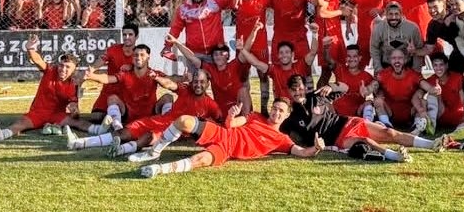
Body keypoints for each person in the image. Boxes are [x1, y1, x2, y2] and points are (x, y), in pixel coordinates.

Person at [137, 98, 324, 178]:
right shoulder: (255, 116)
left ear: (286, 116)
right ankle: (154, 152)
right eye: (275, 108)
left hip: (227, 150)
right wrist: (231, 117)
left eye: (280, 111)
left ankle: (159, 169)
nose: (276, 112)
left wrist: (316, 148)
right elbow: (232, 124)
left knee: (200, 160)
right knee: (183, 121)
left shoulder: (282, 139)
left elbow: (301, 152)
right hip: (223, 133)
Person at [281, 75, 450, 163]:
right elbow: (283, 136)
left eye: (301, 89)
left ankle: (431, 144)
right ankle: (396, 156)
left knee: (389, 132)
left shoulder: (316, 97)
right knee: (365, 140)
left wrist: (330, 86)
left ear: (305, 88)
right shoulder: (290, 116)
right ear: (289, 91)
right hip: (336, 138)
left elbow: (345, 88)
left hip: (346, 122)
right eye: (294, 90)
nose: (298, 93)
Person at [66, 69, 221, 155]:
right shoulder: (185, 89)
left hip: (170, 131)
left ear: (208, 84)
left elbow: (220, 123)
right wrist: (158, 78)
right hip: (158, 119)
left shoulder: (211, 104)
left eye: (202, 82)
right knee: (122, 134)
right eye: (195, 81)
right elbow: (169, 84)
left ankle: (120, 151)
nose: (198, 85)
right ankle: (79, 143)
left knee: (148, 138)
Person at [0, 35, 80, 140]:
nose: (63, 69)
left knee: (79, 123)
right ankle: (3, 134)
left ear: (74, 70)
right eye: (61, 65)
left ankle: (98, 130)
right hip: (38, 112)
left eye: (67, 67)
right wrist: (30, 49)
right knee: (21, 123)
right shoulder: (50, 70)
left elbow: (74, 108)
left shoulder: (74, 84)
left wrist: (74, 110)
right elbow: (38, 61)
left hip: (57, 115)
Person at [83, 44, 177, 131]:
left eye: (142, 55)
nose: (138, 57)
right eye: (135, 55)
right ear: (132, 58)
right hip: (128, 114)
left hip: (150, 113)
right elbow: (108, 78)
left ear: (148, 57)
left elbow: (170, 81)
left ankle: (166, 125)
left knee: (168, 97)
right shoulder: (125, 74)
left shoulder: (154, 73)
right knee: (112, 98)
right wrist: (92, 76)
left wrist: (158, 78)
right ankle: (117, 127)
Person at [166, 33, 252, 117]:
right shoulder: (210, 69)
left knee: (244, 90)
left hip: (239, 107)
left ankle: (247, 120)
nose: (218, 56)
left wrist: (254, 30)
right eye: (215, 54)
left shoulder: (234, 65)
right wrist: (176, 42)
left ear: (228, 56)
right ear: (213, 57)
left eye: (221, 54)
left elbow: (246, 50)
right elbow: (191, 57)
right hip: (222, 110)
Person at [161, 0, 240, 64]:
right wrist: (167, 46)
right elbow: (175, 29)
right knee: (195, 77)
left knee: (218, 77)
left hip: (215, 52)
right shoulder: (183, 9)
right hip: (194, 54)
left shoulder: (215, 0)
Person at [242, 22, 319, 99]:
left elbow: (313, 52)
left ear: (292, 54)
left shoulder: (300, 65)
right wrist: (242, 49)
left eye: (287, 52)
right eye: (281, 53)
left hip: (298, 105)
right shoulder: (274, 69)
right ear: (278, 55)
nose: (284, 55)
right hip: (282, 106)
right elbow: (256, 63)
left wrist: (315, 34)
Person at [370, 49, 429, 132]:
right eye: (394, 58)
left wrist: (434, 89)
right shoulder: (384, 74)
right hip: (390, 112)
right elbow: (373, 85)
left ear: (405, 60)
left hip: (409, 112)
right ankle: (386, 124)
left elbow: (424, 85)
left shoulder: (412, 74)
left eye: (400, 58)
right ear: (390, 60)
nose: (397, 61)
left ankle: (416, 126)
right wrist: (367, 89)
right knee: (377, 100)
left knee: (423, 101)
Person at [347, 0, 391, 69]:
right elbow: (349, 9)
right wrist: (348, 26)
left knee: (381, 68)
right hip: (363, 37)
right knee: (358, 67)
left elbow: (394, 10)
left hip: (381, 37)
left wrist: (381, 10)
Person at [420, 53, 464, 140]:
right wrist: (423, 111)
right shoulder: (430, 80)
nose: (438, 68)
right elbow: (420, 96)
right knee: (430, 97)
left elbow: (463, 99)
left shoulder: (457, 77)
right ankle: (429, 124)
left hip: (457, 114)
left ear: (447, 65)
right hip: (441, 115)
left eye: (441, 65)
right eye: (435, 65)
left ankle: (454, 135)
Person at [319, 43, 374, 117]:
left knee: (369, 104)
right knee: (322, 105)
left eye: (355, 56)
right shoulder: (340, 69)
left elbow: (376, 95)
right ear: (346, 58)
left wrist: (368, 100)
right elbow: (329, 60)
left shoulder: (367, 76)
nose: (351, 59)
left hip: (356, 115)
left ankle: (368, 121)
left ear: (360, 58)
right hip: (335, 113)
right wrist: (326, 48)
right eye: (349, 56)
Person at [315, 0, 352, 72]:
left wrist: (340, 8)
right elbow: (321, 13)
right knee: (327, 70)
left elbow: (329, 9)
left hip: (334, 31)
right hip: (327, 34)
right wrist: (341, 11)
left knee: (338, 69)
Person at [370, 1, 424, 72]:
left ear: (401, 14)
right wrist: (378, 70)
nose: (393, 17)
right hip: (386, 64)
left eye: (396, 14)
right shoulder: (379, 28)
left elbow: (419, 48)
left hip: (407, 64)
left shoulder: (412, 28)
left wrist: (416, 71)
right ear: (386, 14)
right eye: (390, 14)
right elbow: (374, 49)